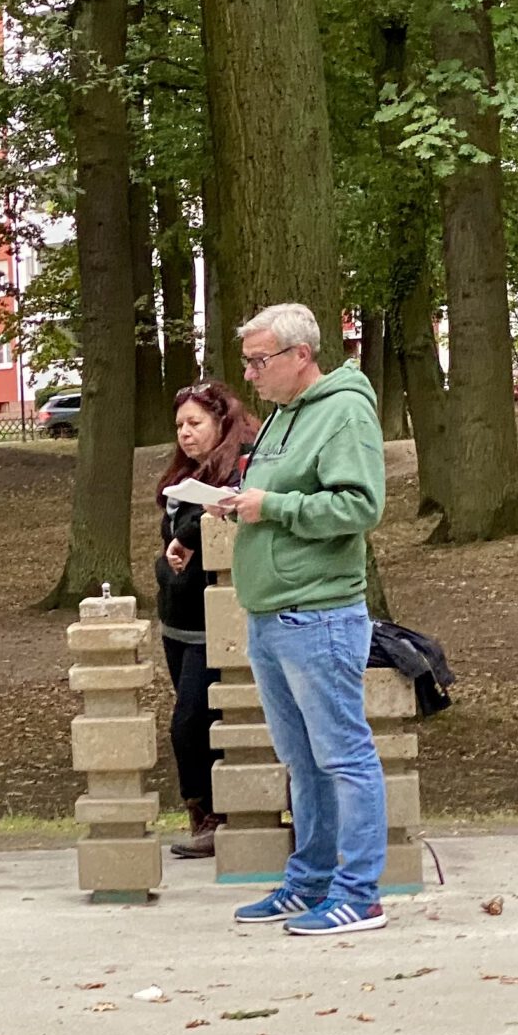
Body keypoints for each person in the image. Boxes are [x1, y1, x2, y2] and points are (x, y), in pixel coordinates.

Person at [217, 301, 389, 935]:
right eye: (247, 363)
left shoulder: (343, 411)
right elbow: (279, 498)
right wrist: (238, 506)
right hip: (270, 615)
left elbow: (359, 506)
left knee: (344, 756)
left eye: (261, 362)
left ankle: (360, 893)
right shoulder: (282, 419)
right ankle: (309, 881)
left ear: (300, 356)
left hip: (318, 614)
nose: (252, 374)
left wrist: (276, 507)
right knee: (303, 760)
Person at [155, 381, 258, 860]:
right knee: (193, 720)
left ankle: (216, 816)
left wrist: (192, 534)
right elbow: (170, 540)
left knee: (191, 722)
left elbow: (227, 522)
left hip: (215, 623)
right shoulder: (183, 478)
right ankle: (204, 814)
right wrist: (170, 557)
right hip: (177, 618)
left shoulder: (240, 469)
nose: (185, 433)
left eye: (195, 423)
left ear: (221, 422)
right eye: (179, 425)